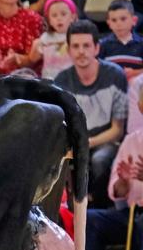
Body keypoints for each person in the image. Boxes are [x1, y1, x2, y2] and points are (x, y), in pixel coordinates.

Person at [55, 20, 129, 212]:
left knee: (99, 160)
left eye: (86, 46)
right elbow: (62, 125)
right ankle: (67, 213)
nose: (81, 51)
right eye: (76, 46)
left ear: (97, 48)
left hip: (106, 141)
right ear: (69, 50)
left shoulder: (115, 75)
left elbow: (118, 130)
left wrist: (88, 143)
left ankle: (100, 209)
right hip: (74, 142)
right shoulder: (61, 81)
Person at [28, 0, 77, 80]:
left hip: (71, 80)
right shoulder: (45, 38)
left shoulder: (76, 37)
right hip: (49, 80)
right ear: (49, 20)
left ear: (72, 17)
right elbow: (33, 59)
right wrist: (36, 46)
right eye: (54, 15)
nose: (59, 18)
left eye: (63, 14)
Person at [99, 0, 143, 78]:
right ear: (109, 23)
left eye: (123, 19)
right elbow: (97, 69)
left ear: (134, 20)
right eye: (114, 20)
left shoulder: (141, 44)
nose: (118, 24)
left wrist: (135, 72)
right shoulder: (103, 45)